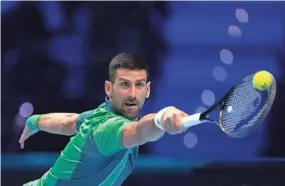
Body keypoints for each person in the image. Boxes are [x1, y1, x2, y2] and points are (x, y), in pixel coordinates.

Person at [19, 52, 189, 186]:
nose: (132, 94)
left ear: (148, 89)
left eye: (139, 85)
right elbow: (139, 131)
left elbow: (68, 121)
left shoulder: (96, 116)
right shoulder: (107, 128)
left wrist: (34, 122)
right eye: (124, 84)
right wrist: (161, 118)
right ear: (109, 88)